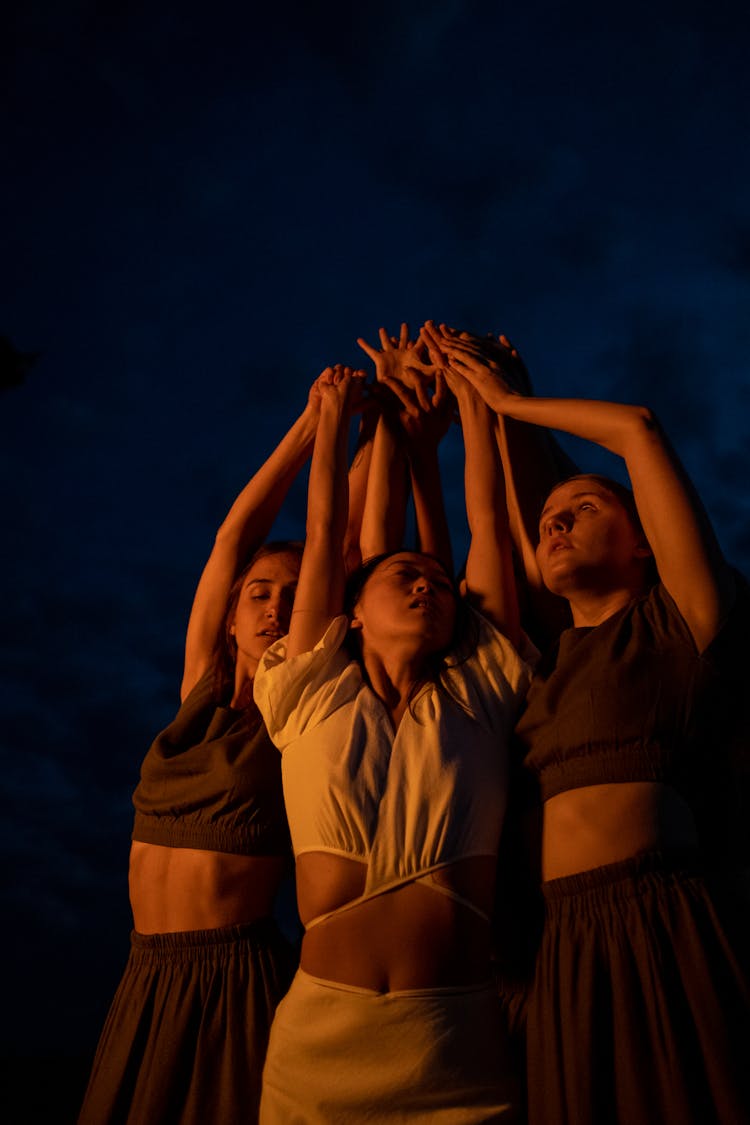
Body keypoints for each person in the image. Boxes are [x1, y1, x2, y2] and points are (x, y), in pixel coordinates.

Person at [429, 322, 750, 1125]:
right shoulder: (538, 672)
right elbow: (495, 519)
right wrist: (475, 408)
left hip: (663, 916)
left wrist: (513, 401)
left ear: (644, 543)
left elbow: (636, 427)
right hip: (559, 942)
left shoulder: (681, 624)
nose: (556, 522)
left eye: (584, 508)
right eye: (550, 520)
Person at [253, 356, 535, 1122]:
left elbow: (489, 530)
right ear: (350, 614)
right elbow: (323, 533)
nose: (426, 584)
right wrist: (341, 420)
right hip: (318, 1047)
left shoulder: (477, 695)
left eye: (439, 584)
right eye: (404, 575)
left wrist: (481, 407)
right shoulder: (309, 694)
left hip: (453, 1043)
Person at [77, 374, 333, 1125]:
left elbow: (339, 538)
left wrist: (374, 429)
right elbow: (231, 538)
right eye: (258, 593)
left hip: (233, 976)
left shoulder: (299, 714)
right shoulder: (201, 692)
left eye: (290, 592)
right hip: (145, 973)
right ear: (228, 618)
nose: (274, 605)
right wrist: (311, 421)